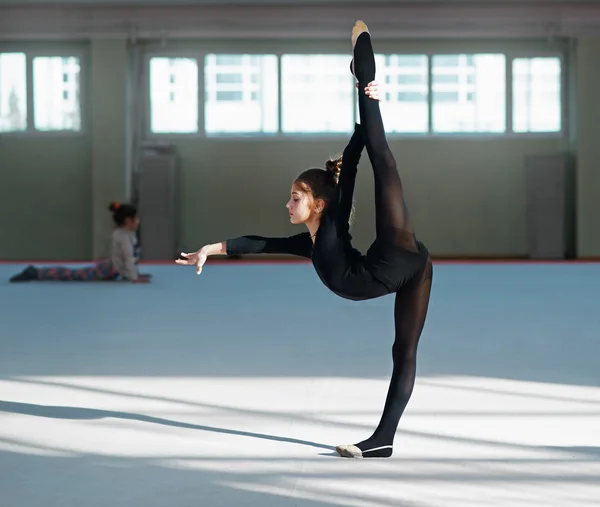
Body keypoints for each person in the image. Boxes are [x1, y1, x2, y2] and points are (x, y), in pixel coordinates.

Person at [176, 21, 433, 459]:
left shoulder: (332, 222)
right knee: (401, 350)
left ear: (317, 204)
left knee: (383, 160)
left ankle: (366, 76)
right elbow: (259, 243)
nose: (288, 204)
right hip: (405, 273)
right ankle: (383, 441)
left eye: (295, 197)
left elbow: (352, 166)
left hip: (398, 254)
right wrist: (211, 249)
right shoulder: (309, 244)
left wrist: (363, 100)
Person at [9, 202, 151, 284]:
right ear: (128, 221)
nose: (138, 221)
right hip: (108, 269)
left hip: (112, 269)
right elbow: (128, 257)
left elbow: (132, 259)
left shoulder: (129, 235)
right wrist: (134, 278)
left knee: (74, 273)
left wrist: (136, 275)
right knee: (72, 274)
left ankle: (37, 272)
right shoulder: (123, 236)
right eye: (136, 219)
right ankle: (36, 273)